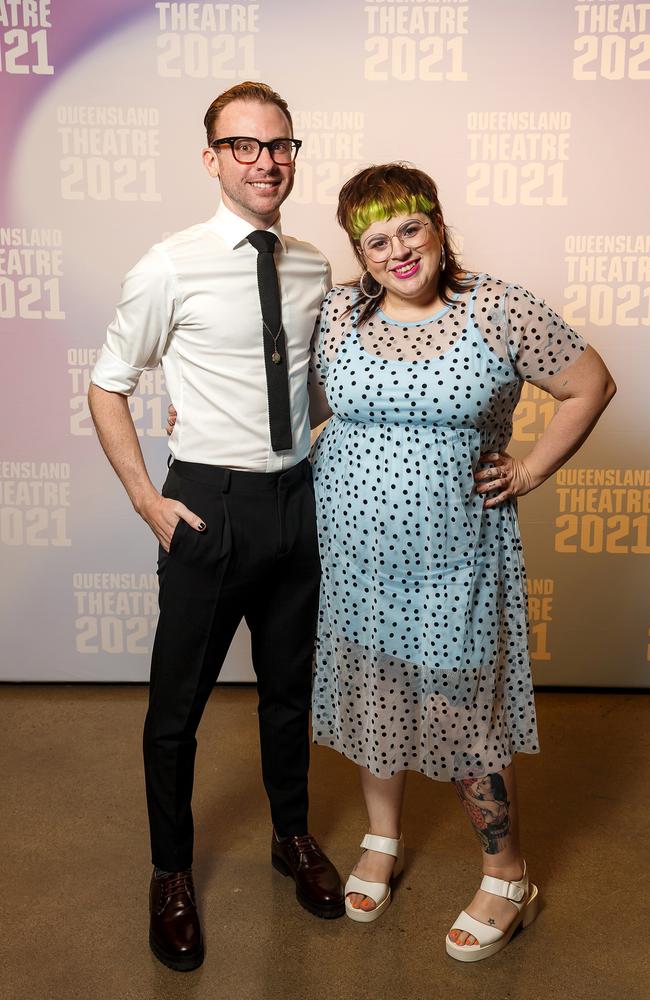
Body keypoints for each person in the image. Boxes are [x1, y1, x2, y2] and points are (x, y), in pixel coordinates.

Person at [306, 162, 616, 960]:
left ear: (438, 225)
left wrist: (532, 470)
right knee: (376, 692)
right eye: (376, 241)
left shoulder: (501, 308)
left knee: (461, 716)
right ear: (359, 254)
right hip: (352, 558)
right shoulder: (339, 311)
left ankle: (507, 874)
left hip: (456, 560)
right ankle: (382, 838)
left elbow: (590, 384)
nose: (398, 251)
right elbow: (299, 404)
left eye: (411, 228)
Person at [88, 81, 344, 974]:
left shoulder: (313, 265)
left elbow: (312, 389)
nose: (265, 161)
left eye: (279, 145)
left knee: (287, 693)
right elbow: (108, 383)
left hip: (295, 502)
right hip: (209, 505)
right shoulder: (171, 263)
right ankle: (170, 873)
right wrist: (147, 502)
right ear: (212, 158)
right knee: (176, 712)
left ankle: (292, 837)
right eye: (244, 146)